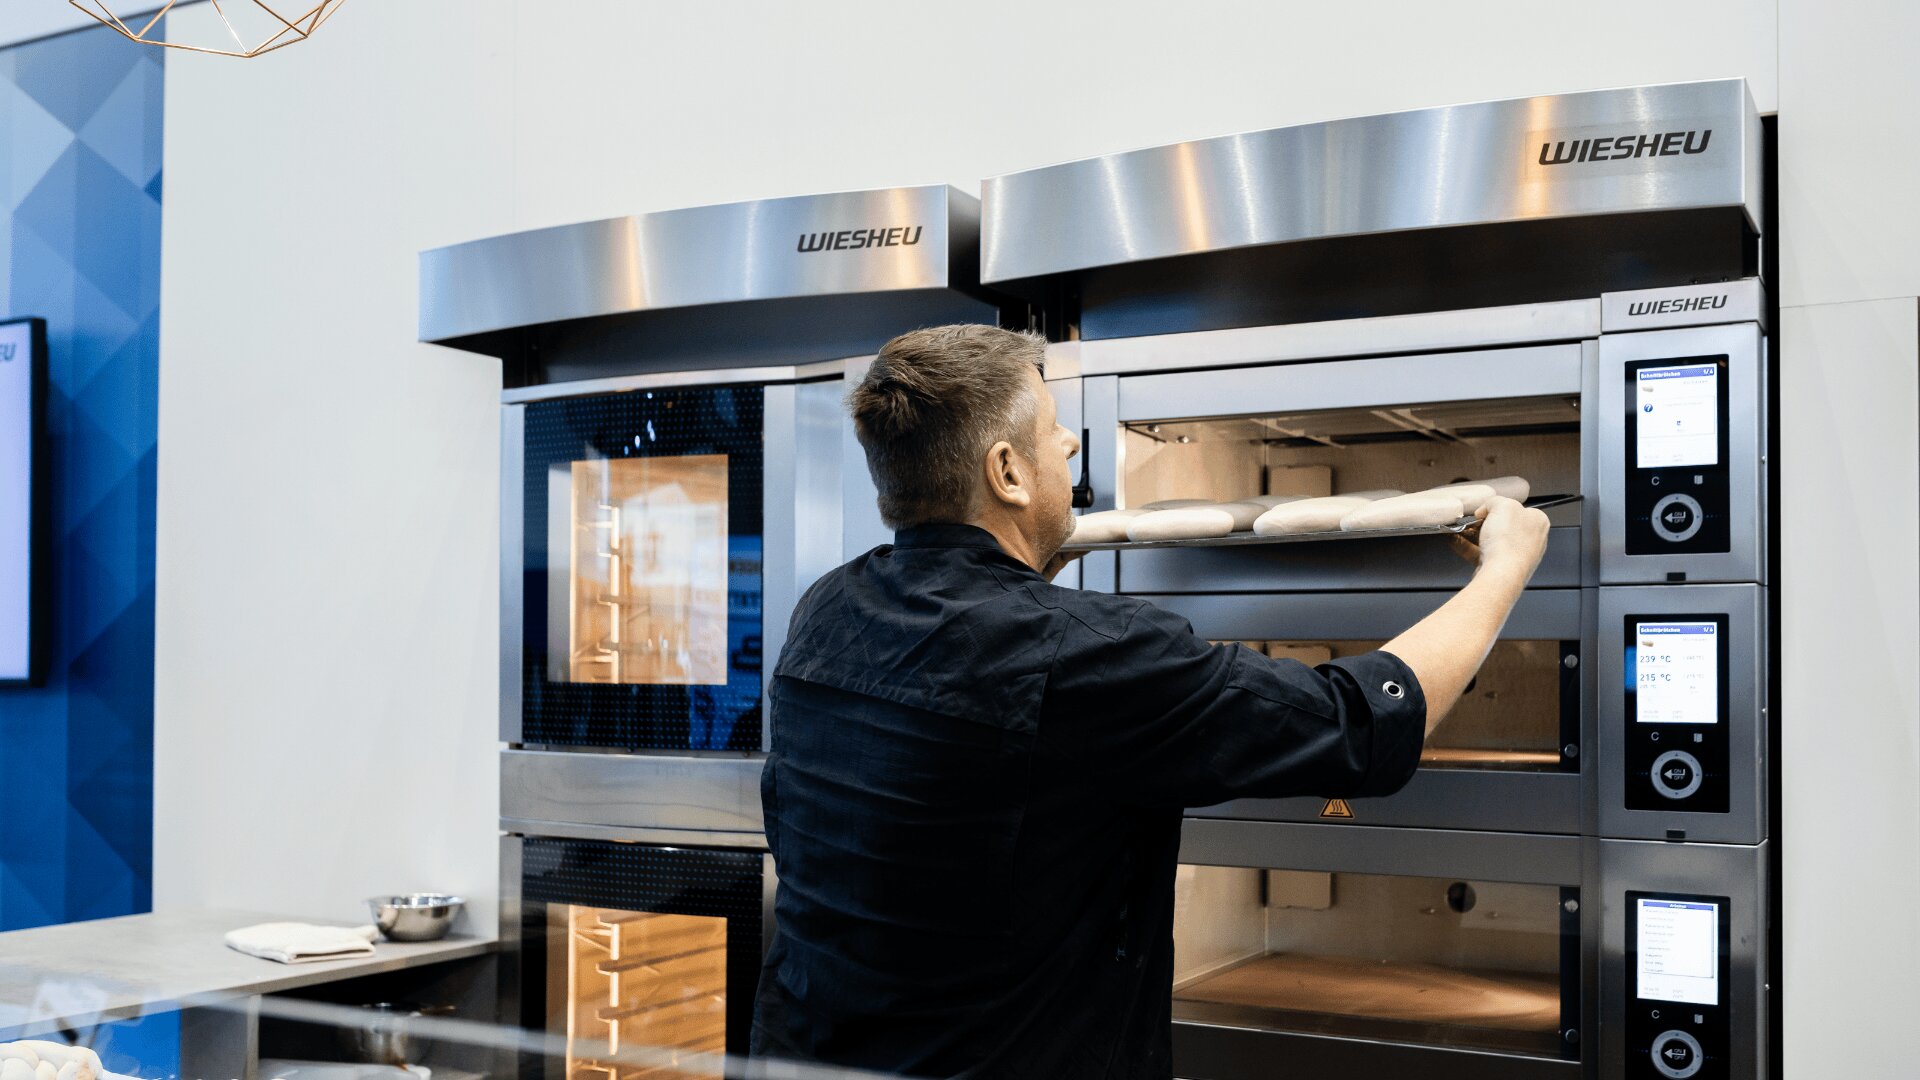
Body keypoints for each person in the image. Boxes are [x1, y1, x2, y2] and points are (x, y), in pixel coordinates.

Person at [749, 325, 1551, 1079]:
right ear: (1007, 473)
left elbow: (985, 687)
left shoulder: (829, 608)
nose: (1068, 444)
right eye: (1053, 430)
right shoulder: (1084, 654)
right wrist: (1503, 571)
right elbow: (1357, 723)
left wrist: (1026, 567)